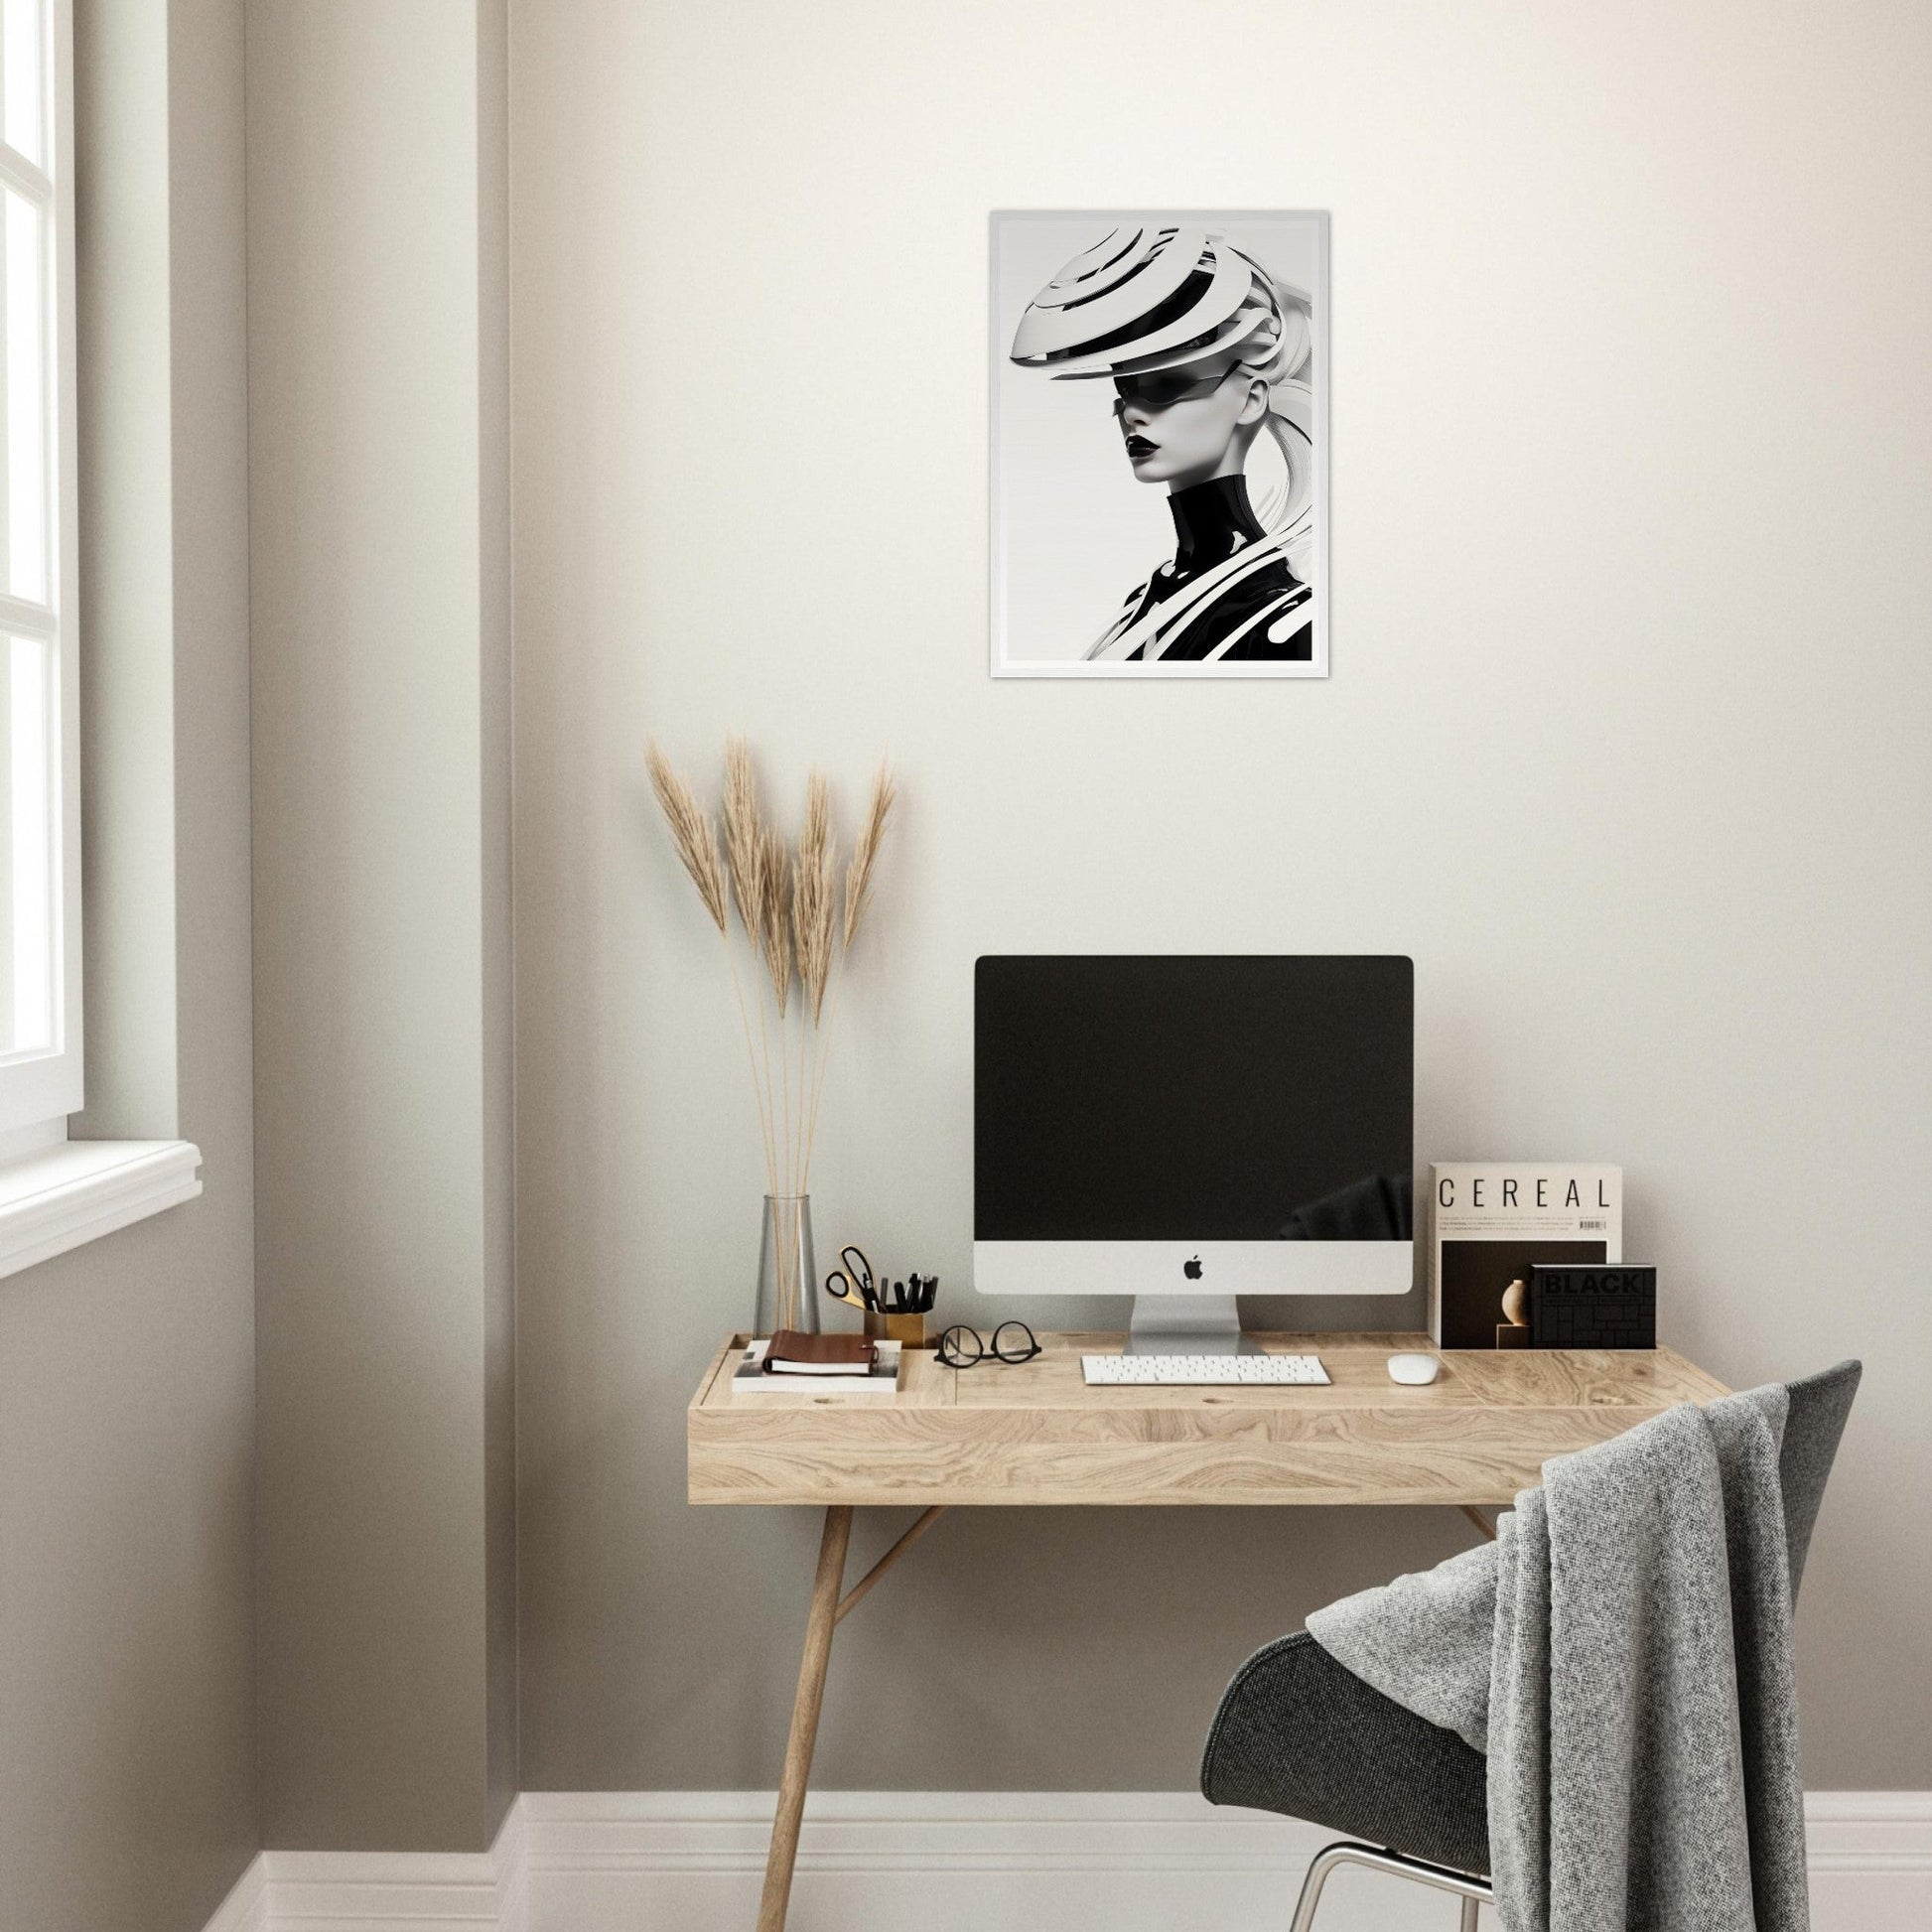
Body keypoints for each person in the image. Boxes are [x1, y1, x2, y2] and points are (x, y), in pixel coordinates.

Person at [1010, 223, 1316, 662]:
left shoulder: (1283, 620)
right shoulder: (1143, 603)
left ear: (1251, 400)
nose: (1133, 412)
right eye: (1127, 389)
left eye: (1169, 386)